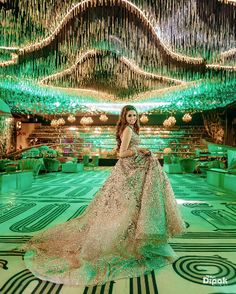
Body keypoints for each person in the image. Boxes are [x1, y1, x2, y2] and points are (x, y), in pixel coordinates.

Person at [22, 105, 186, 286]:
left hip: (132, 171)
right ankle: (127, 239)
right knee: (126, 206)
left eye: (135, 115)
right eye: (129, 115)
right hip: (127, 171)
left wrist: (141, 151)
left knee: (130, 207)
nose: (132, 118)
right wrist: (140, 150)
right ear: (124, 117)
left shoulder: (131, 129)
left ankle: (132, 237)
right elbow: (121, 154)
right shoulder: (127, 130)